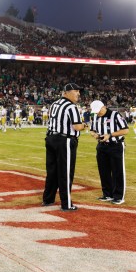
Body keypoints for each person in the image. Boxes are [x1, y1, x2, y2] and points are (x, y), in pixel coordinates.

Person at [42, 83, 85, 211]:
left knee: (52, 172)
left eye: (79, 91)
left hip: (50, 138)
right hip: (64, 140)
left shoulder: (54, 104)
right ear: (66, 92)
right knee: (65, 172)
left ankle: (48, 199)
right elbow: (77, 126)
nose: (78, 93)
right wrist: (85, 126)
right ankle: (66, 204)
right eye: (75, 91)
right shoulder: (71, 107)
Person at [89, 100, 129, 205]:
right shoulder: (96, 116)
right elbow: (92, 129)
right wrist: (94, 134)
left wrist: (110, 135)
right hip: (101, 146)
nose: (97, 113)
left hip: (115, 145)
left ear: (104, 107)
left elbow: (125, 130)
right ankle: (107, 194)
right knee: (104, 171)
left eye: (99, 110)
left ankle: (118, 196)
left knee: (117, 171)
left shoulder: (115, 115)